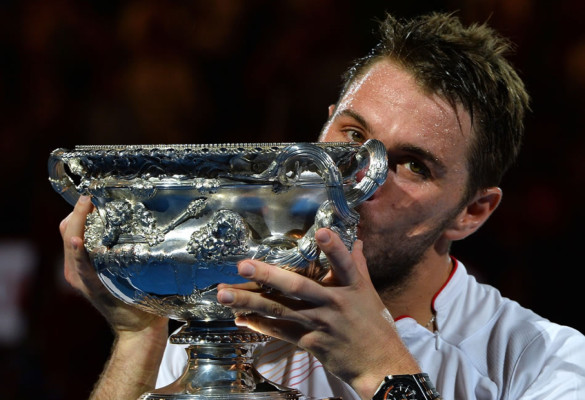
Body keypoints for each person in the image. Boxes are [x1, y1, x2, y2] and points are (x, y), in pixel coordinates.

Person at [60, 12, 585, 400]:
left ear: (473, 211)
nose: (361, 176)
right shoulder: (228, 315)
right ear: (323, 127)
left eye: (412, 166)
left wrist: (380, 366)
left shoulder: (546, 361)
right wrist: (140, 335)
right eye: (353, 135)